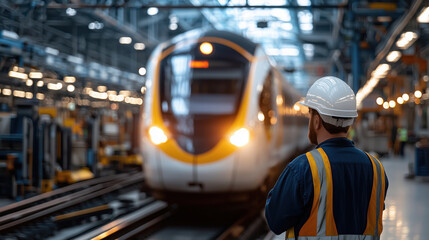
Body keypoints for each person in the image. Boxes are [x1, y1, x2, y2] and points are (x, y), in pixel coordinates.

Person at [265, 76, 388, 240]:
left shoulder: (302, 168)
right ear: (349, 121)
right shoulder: (376, 169)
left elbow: (275, 220)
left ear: (316, 121)